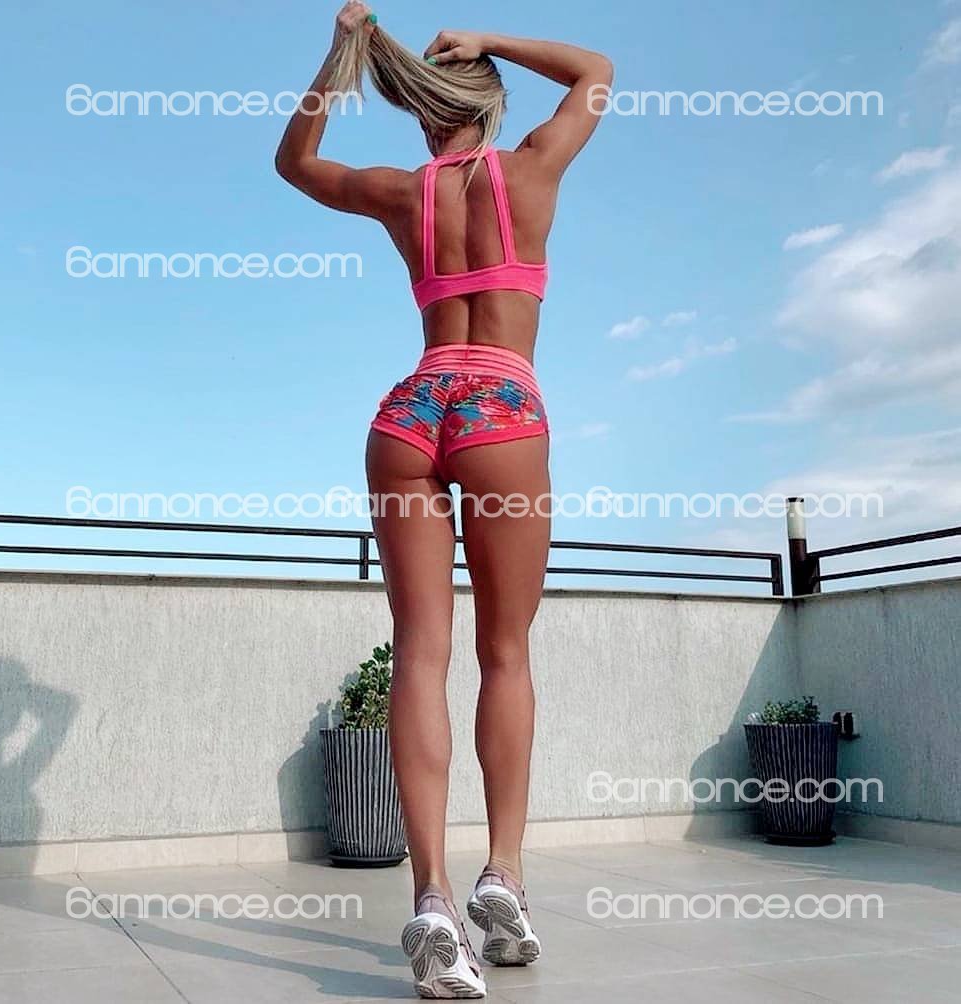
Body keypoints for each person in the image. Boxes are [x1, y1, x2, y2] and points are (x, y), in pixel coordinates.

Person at [276, 4, 611, 996]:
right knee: (504, 653)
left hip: (411, 408)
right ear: (488, 106)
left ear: (426, 114)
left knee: (420, 652)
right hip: (499, 407)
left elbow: (296, 163)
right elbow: (595, 69)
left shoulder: (398, 193)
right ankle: (500, 873)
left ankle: (430, 897)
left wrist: (340, 55)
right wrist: (490, 39)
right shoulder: (532, 168)